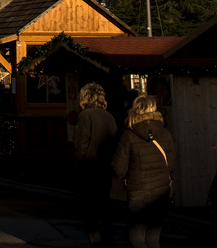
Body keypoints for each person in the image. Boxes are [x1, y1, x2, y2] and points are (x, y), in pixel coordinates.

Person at [110, 94, 175, 248]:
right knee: (154, 238)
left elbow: (119, 169)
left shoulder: (129, 136)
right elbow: (170, 163)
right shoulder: (165, 133)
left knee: (137, 238)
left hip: (138, 191)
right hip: (161, 190)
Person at [70, 83, 118, 246]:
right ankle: (108, 243)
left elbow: (80, 145)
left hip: (89, 169)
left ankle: (97, 243)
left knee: (90, 213)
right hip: (105, 168)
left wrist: (77, 165)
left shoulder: (85, 116)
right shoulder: (109, 117)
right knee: (105, 210)